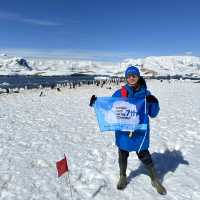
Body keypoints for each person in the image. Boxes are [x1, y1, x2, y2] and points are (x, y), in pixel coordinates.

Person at [89, 66, 166, 195]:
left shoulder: (146, 94)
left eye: (134, 76)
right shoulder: (121, 93)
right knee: (122, 154)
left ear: (138, 77)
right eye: (129, 76)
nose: (131, 78)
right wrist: (95, 103)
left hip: (139, 131)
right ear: (126, 78)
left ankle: (154, 179)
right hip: (123, 132)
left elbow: (153, 114)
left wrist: (155, 102)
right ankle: (123, 176)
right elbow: (109, 107)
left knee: (145, 156)